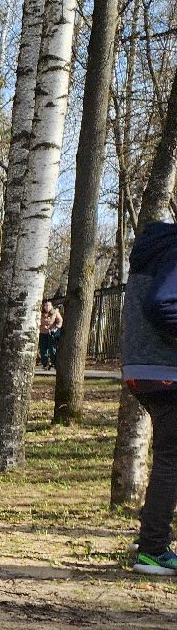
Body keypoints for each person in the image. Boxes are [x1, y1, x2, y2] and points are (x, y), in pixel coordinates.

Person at [124, 222, 177, 575]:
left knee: (168, 457)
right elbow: (160, 303)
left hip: (143, 367)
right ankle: (154, 548)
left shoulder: (157, 248)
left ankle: (151, 537)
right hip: (166, 369)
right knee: (172, 459)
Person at [39, 299, 64, 370]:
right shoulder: (40, 313)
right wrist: (42, 327)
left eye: (49, 305)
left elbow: (60, 321)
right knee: (43, 350)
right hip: (43, 333)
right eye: (45, 305)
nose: (47, 307)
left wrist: (57, 327)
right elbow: (36, 323)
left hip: (52, 333)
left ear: (51, 306)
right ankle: (45, 364)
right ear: (43, 306)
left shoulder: (55, 312)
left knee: (52, 350)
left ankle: (54, 363)